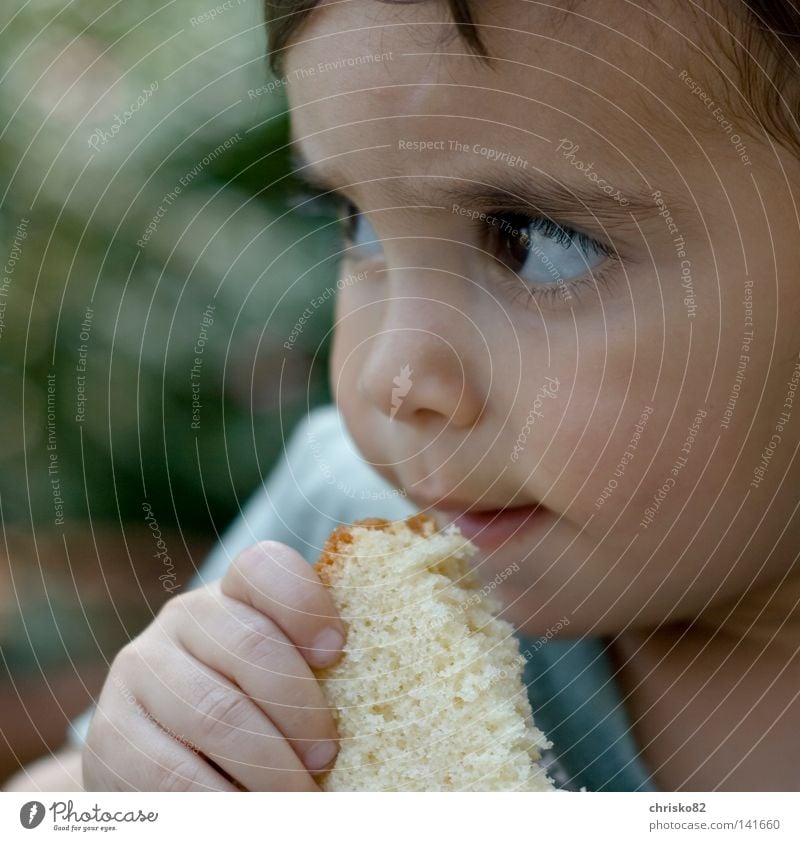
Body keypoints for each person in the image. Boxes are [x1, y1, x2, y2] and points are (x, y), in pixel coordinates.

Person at [8, 0, 800, 791]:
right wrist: (142, 775)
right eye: (361, 227)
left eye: (535, 241)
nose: (385, 376)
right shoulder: (334, 537)